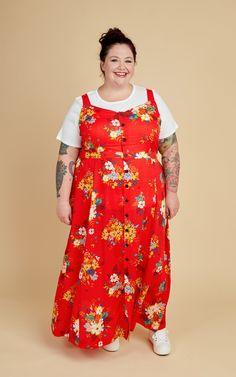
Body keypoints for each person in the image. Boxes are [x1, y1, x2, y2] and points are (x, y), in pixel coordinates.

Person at [51, 27, 180, 355]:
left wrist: (172, 192)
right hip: (97, 204)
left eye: (128, 60)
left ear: (134, 65)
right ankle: (108, 327)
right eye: (114, 59)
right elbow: (67, 154)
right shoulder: (81, 105)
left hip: (145, 202)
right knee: (101, 264)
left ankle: (157, 327)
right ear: (102, 64)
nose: (121, 66)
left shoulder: (153, 100)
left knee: (152, 261)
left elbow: (170, 149)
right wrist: (61, 199)